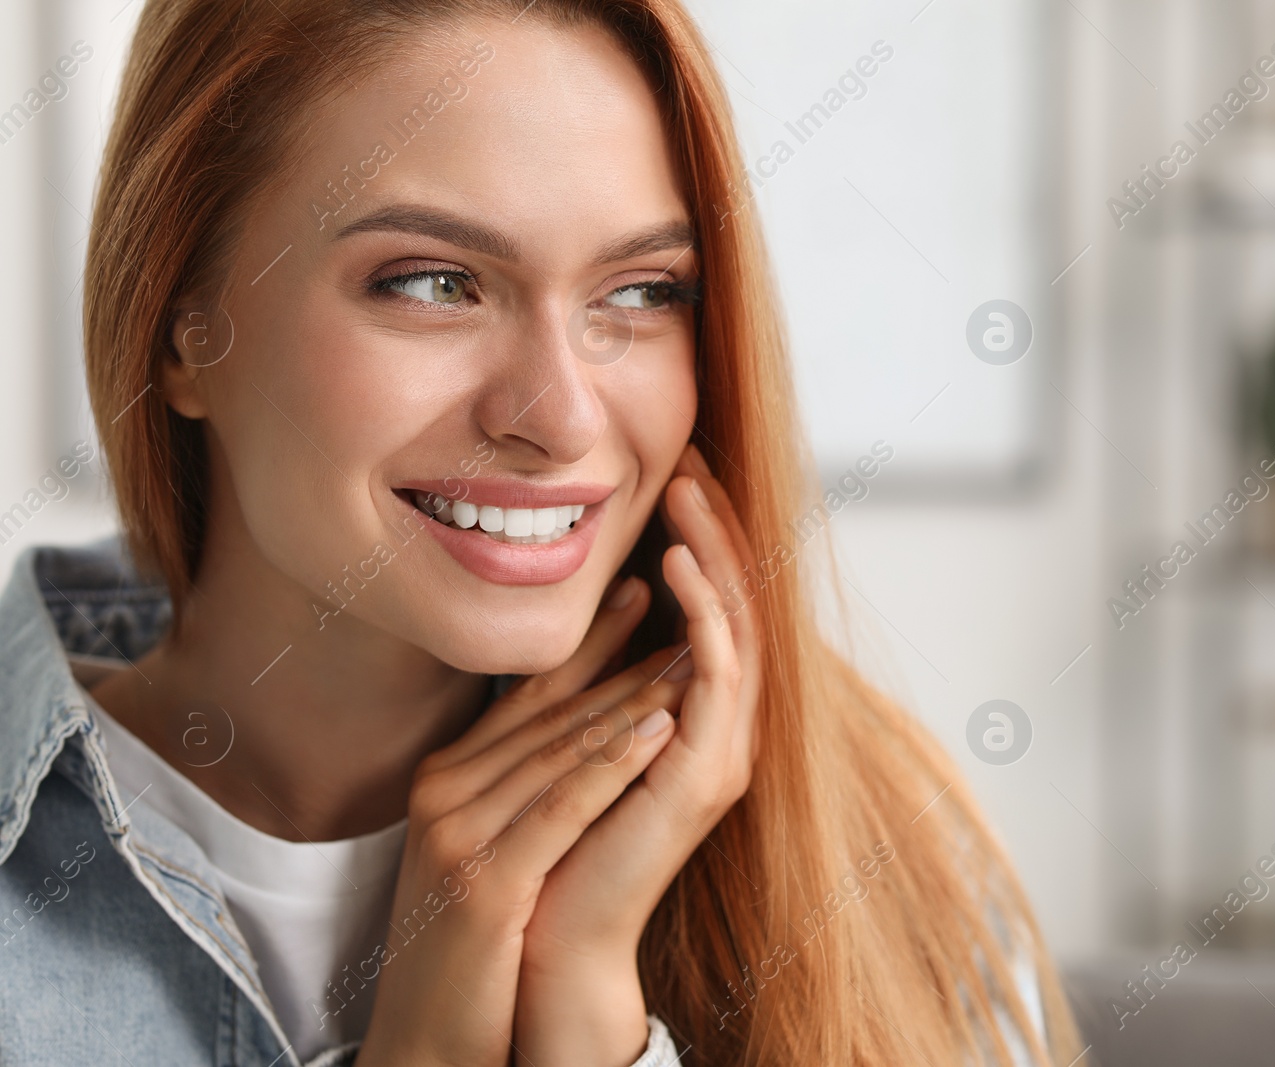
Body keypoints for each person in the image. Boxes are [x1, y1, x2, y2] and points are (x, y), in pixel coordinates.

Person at [0, 1, 1084, 1064]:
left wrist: (589, 1008)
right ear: (185, 328)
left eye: (642, 291)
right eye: (435, 283)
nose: (562, 416)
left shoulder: (884, 854)